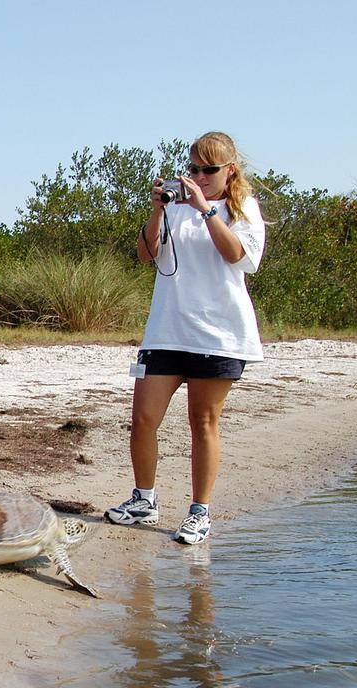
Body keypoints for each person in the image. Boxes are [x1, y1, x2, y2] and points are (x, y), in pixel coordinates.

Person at [104, 131, 266, 545]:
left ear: (230, 170)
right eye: (192, 168)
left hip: (218, 334)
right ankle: (144, 499)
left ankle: (199, 511)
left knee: (203, 421)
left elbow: (237, 257)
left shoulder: (242, 208)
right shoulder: (176, 207)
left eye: (208, 170)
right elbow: (145, 254)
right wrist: (159, 211)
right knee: (142, 419)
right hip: (167, 329)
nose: (199, 176)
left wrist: (206, 210)